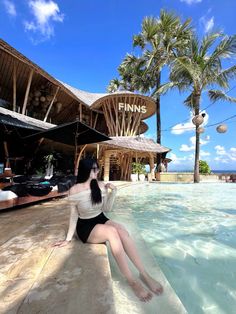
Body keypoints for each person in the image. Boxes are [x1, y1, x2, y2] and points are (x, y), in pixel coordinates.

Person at [53, 158, 163, 302]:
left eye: (97, 168)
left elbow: (106, 209)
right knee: (112, 233)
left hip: (100, 218)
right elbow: (74, 216)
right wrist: (68, 238)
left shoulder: (100, 185)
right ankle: (131, 280)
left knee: (122, 230)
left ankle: (144, 274)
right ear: (86, 170)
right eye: (94, 169)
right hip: (85, 226)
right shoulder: (75, 190)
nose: (97, 171)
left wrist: (113, 192)